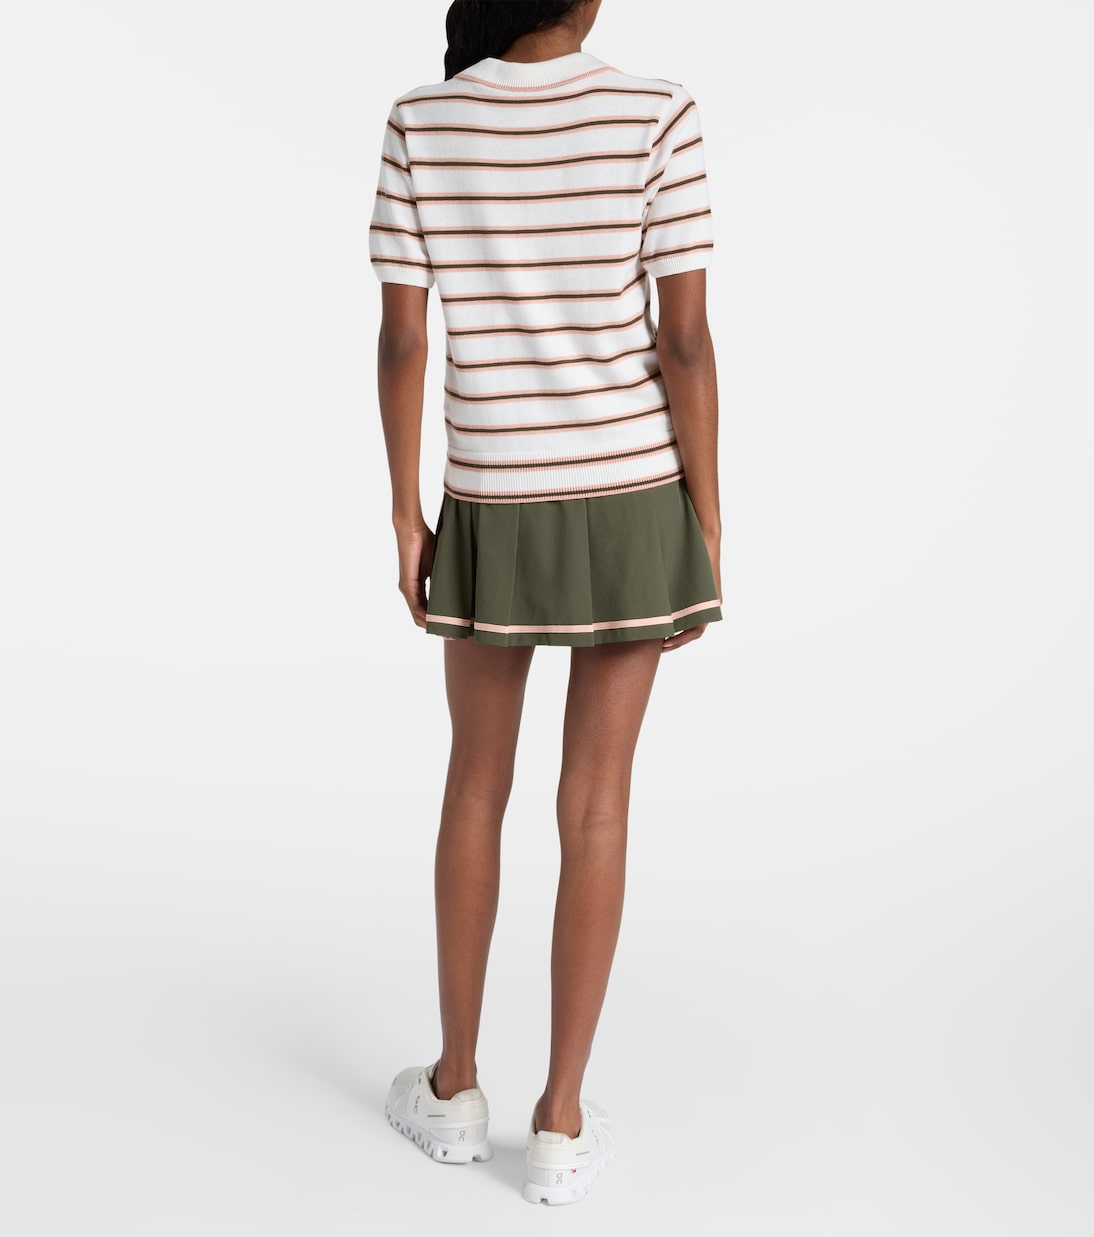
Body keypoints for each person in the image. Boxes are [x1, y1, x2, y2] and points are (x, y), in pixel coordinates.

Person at [369, 0, 722, 1206]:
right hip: (633, 496)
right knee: (597, 801)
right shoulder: (656, 113)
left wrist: (406, 513)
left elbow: (402, 341)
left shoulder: (422, 122)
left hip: (491, 496)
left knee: (475, 781)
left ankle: (454, 1086)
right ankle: (560, 1122)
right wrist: (705, 515)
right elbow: (685, 342)